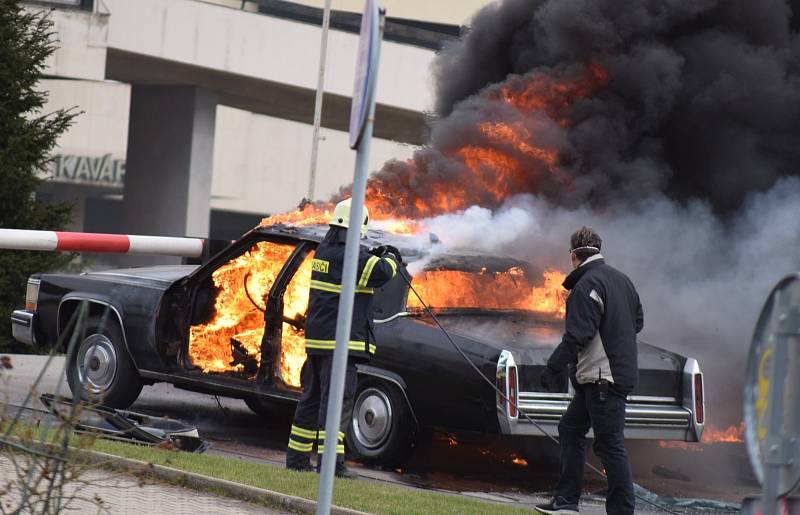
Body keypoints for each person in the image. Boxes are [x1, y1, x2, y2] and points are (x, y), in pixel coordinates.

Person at [285, 198, 400, 478]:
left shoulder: (325, 251)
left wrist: (375, 254)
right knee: (337, 403)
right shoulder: (350, 256)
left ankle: (297, 460)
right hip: (340, 344)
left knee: (311, 401)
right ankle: (331, 466)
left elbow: (360, 270)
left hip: (318, 342)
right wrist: (393, 257)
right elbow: (383, 272)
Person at [535, 227, 643, 515]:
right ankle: (567, 500)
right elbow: (638, 322)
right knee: (570, 429)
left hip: (602, 379)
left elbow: (578, 335)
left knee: (610, 446)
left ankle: (621, 510)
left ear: (573, 255)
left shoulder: (587, 285)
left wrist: (552, 368)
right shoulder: (623, 281)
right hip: (603, 378)